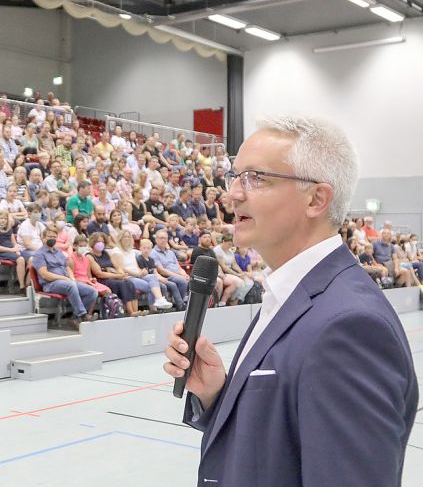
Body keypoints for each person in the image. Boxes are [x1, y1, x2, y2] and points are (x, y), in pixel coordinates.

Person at [163, 116, 418, 487]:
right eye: (235, 176)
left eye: (256, 178)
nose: (233, 193)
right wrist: (218, 394)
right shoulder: (293, 293)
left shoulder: (350, 326)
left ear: (316, 199)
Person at [32, 225, 99, 330]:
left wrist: (71, 277)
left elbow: (67, 266)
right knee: (71, 286)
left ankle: (74, 318)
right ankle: (83, 315)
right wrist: (64, 279)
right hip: (50, 283)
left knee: (92, 292)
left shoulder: (58, 251)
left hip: (66, 281)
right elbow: (45, 274)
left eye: (54, 237)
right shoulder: (39, 255)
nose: (52, 239)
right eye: (49, 237)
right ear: (43, 238)